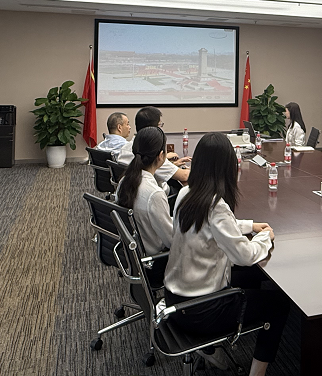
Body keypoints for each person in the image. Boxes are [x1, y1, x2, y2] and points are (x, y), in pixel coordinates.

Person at [164, 133, 290, 376]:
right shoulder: (215, 205)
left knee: (252, 277)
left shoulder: (186, 193)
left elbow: (214, 226)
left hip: (175, 302)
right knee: (278, 303)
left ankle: (226, 338)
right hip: (202, 311)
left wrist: (250, 226)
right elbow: (244, 255)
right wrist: (265, 238)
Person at [114, 126, 173, 285]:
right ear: (161, 156)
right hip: (156, 263)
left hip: (138, 258)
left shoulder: (124, 181)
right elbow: (171, 241)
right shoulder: (154, 194)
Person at [134, 106, 191, 187]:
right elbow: (184, 176)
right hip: (163, 191)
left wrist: (173, 164)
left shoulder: (126, 149)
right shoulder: (153, 155)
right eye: (160, 125)